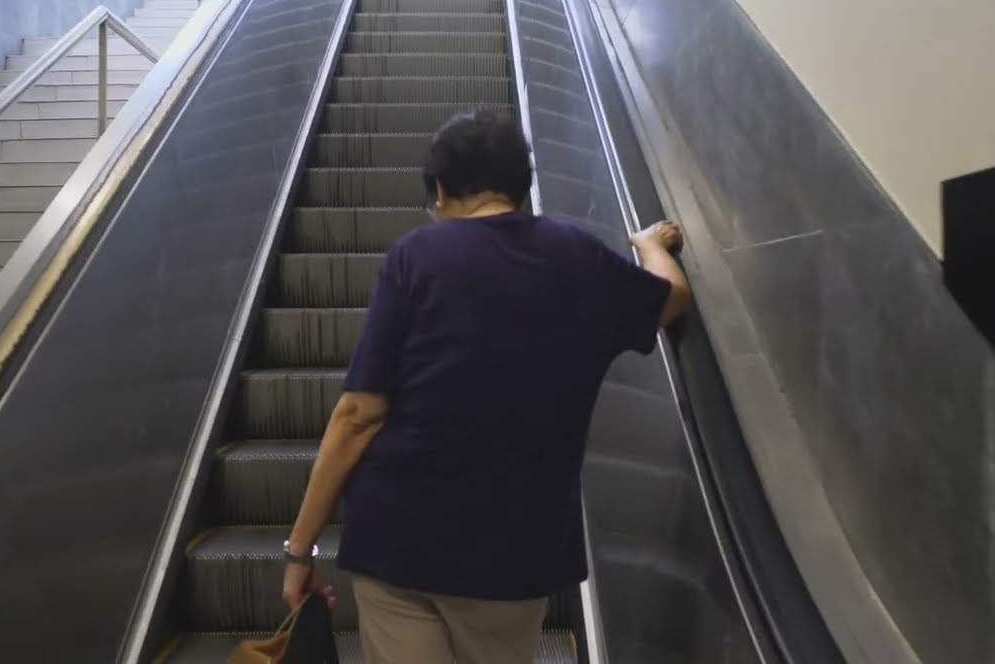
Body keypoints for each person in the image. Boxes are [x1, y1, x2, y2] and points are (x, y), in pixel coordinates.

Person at [280, 109, 691, 663]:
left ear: (442, 190)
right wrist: (649, 246)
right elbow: (672, 299)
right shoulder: (581, 258)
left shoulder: (417, 256)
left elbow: (358, 415)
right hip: (516, 552)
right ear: (522, 190)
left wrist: (300, 549)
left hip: (398, 540)